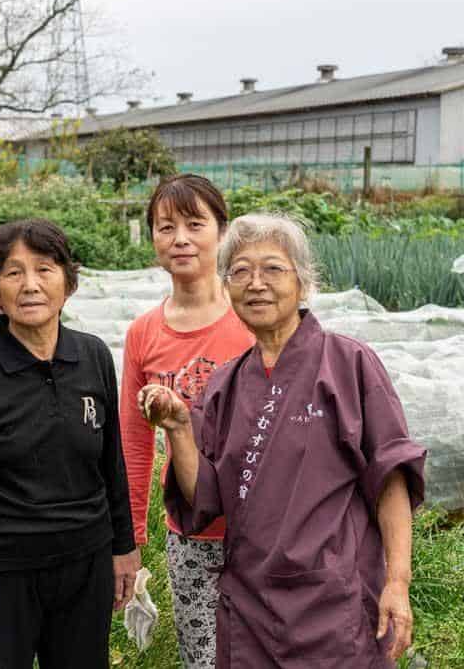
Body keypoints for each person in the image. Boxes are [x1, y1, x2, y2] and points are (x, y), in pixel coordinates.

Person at [142, 214, 426, 668]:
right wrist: (178, 429)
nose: (256, 283)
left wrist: (398, 583)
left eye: (272, 268)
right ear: (227, 287)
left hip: (334, 602)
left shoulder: (348, 363)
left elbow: (390, 475)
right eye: (240, 271)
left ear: (303, 281)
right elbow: (203, 499)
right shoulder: (225, 384)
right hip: (250, 604)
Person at [0, 218, 139, 669]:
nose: (30, 285)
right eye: (14, 273)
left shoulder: (92, 355)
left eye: (45, 269)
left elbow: (110, 461)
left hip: (85, 561)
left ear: (68, 282)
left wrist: (123, 547)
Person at [119, 174, 254, 667]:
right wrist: (131, 537)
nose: (179, 239)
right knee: (203, 657)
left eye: (195, 224)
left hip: (263, 528)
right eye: (165, 226)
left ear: (221, 231)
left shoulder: (253, 319)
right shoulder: (144, 333)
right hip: (191, 531)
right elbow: (134, 443)